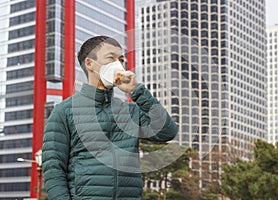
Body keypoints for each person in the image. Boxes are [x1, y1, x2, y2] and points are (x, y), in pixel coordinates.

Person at [42, 35, 178, 200]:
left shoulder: (130, 111)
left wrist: (137, 91)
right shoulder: (64, 111)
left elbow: (167, 132)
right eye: (111, 58)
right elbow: (53, 168)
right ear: (90, 64)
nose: (118, 65)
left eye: (121, 60)